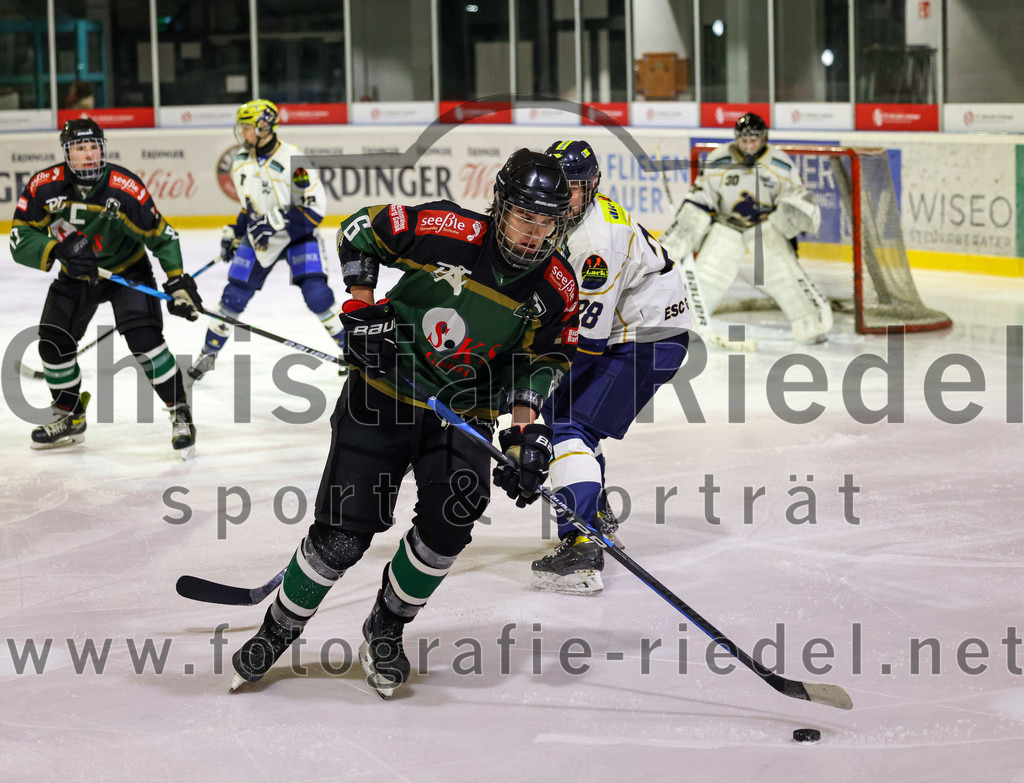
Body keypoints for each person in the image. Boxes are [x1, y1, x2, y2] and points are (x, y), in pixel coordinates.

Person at [229, 148, 579, 698]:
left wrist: (521, 434)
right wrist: (364, 312)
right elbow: (359, 230)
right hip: (383, 394)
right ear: (501, 206)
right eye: (524, 218)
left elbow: (542, 360)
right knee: (343, 536)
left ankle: (386, 627)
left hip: (462, 415)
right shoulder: (450, 230)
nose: (534, 234)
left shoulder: (555, 288)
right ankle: (279, 629)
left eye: (547, 223)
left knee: (449, 526)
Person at [530, 140, 691, 597]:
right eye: (558, 185)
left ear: (593, 185)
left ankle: (581, 543)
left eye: (574, 187)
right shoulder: (569, 220)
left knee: (567, 426)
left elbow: (587, 345)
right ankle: (594, 511)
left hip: (646, 340)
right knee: (564, 416)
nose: (564, 195)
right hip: (636, 332)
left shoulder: (595, 242)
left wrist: (524, 389)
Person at [9, 118, 202, 453]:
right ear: (67, 153)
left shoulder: (124, 188)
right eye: (80, 148)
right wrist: (56, 249)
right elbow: (19, 235)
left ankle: (179, 411)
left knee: (146, 341)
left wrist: (177, 282)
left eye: (94, 147)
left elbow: (161, 235)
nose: (88, 155)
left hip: (126, 272)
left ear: (103, 148)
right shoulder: (45, 185)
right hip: (78, 274)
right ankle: (70, 416)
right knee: (52, 345)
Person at [188, 99, 344, 381]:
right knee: (233, 296)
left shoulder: (293, 160)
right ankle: (208, 354)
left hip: (298, 235)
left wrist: (278, 220)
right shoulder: (239, 162)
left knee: (318, 296)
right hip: (260, 239)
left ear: (264, 127)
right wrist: (234, 232)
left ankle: (349, 352)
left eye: (247, 127)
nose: (242, 133)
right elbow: (249, 206)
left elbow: (314, 207)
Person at [659, 113, 830, 344]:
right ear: (736, 139)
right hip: (727, 226)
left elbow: (796, 199)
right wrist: (686, 228)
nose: (749, 146)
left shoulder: (780, 164)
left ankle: (812, 327)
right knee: (707, 277)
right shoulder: (719, 159)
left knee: (783, 276)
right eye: (744, 141)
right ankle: (687, 325)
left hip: (765, 229)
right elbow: (701, 198)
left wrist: (795, 215)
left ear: (764, 138)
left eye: (754, 141)